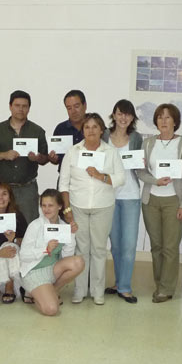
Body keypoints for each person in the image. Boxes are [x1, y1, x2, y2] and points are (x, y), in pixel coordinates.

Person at [59, 112, 125, 305]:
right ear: (83, 131)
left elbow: (121, 178)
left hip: (103, 207)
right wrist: (67, 209)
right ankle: (80, 290)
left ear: (101, 130)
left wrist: (100, 176)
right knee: (81, 249)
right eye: (87, 127)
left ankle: (97, 291)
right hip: (78, 207)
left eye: (95, 127)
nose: (91, 130)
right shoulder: (73, 151)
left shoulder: (110, 152)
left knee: (98, 249)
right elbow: (64, 183)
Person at [138, 103, 182, 303]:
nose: (163, 120)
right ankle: (159, 283)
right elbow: (140, 171)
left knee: (170, 247)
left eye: (168, 117)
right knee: (156, 246)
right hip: (150, 200)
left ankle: (167, 288)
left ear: (175, 121)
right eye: (160, 117)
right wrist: (155, 181)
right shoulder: (148, 143)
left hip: (174, 201)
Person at [102, 99, 143, 304]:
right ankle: (118, 283)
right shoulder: (104, 136)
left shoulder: (136, 138)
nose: (123, 117)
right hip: (108, 196)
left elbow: (140, 166)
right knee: (116, 246)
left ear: (132, 117)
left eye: (127, 114)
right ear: (114, 115)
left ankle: (125, 287)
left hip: (130, 196)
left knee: (129, 244)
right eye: (120, 113)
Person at [0, 90, 48, 223]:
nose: (21, 109)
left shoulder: (37, 131)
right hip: (1, 189)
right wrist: (3, 155)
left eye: (24, 106)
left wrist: (37, 158)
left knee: (29, 226)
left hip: (27, 189)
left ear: (29, 108)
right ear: (10, 106)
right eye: (17, 105)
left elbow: (45, 158)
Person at [19, 189, 84, 316]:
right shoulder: (35, 225)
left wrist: (71, 234)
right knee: (52, 310)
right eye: (43, 205)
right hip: (34, 272)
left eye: (50, 205)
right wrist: (45, 249)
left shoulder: (63, 226)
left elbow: (67, 256)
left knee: (78, 262)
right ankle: (32, 292)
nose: (46, 209)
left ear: (59, 206)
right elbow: (23, 256)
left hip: (53, 269)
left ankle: (51, 291)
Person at [49, 90, 87, 170]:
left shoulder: (96, 127)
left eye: (76, 106)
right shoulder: (60, 129)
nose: (73, 111)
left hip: (90, 178)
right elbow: (57, 159)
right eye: (69, 108)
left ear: (85, 106)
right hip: (66, 178)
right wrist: (53, 159)